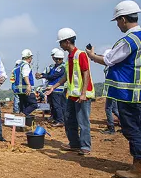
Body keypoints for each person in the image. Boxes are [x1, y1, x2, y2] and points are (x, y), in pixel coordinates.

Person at [86, 0, 141, 178]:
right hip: (137, 94)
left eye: (117, 21)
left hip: (128, 95)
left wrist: (92, 56)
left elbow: (111, 59)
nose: (117, 25)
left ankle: (138, 167)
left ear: (124, 19)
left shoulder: (129, 40)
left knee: (132, 129)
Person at [46, 28, 95, 156]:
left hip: (81, 96)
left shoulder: (80, 55)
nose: (60, 45)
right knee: (69, 120)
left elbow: (86, 73)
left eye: (61, 42)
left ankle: (85, 146)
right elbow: (66, 77)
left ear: (67, 41)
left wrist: (83, 93)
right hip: (72, 95)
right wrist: (53, 87)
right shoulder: (70, 57)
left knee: (83, 121)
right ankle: (74, 144)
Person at [36, 49, 66, 127]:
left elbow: (53, 76)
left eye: (60, 59)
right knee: (52, 105)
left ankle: (60, 120)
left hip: (58, 90)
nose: (58, 60)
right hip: (51, 89)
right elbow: (48, 74)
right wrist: (40, 75)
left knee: (57, 106)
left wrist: (42, 76)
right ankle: (55, 118)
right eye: (57, 59)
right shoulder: (53, 67)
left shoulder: (62, 67)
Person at [10, 49, 38, 117]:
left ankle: (22, 123)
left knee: (24, 106)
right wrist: (28, 85)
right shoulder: (25, 65)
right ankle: (22, 115)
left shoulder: (18, 66)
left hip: (19, 91)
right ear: (29, 57)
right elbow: (25, 75)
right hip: (26, 90)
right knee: (33, 104)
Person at [100, 49, 120, 135]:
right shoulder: (115, 66)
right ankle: (124, 123)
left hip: (111, 90)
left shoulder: (111, 68)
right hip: (114, 90)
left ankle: (111, 127)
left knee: (108, 108)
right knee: (114, 109)